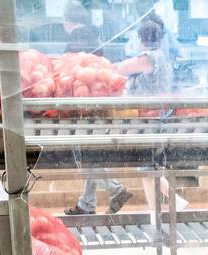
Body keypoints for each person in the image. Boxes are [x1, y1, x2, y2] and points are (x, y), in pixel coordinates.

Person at [68, 14, 174, 216]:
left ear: (141, 39)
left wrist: (87, 66)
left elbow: (117, 69)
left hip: (142, 125)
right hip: (147, 123)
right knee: (93, 150)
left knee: (93, 154)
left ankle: (114, 192)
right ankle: (89, 203)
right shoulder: (163, 57)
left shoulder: (148, 59)